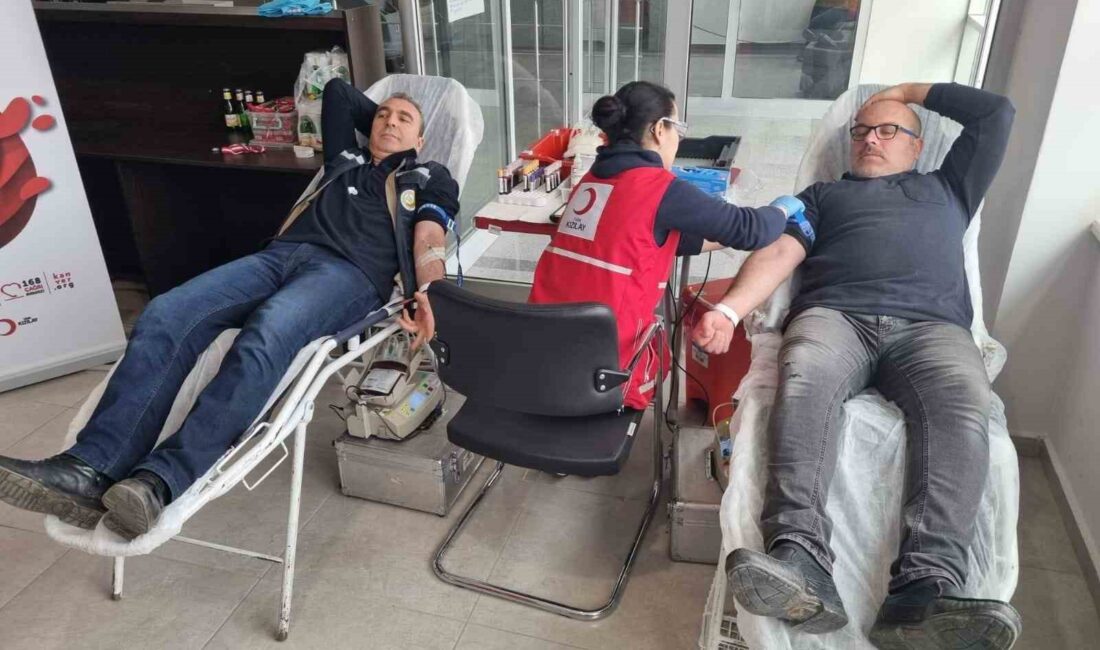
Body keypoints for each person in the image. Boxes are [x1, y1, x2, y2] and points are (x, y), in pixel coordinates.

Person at [0, 78, 459, 541]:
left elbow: (429, 238)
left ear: (422, 140)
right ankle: (89, 468)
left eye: (404, 120)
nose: (389, 122)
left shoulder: (428, 175)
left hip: (349, 274)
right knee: (166, 312)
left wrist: (431, 292)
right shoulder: (345, 157)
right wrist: (384, 121)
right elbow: (339, 92)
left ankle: (160, 481)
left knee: (268, 331)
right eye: (382, 115)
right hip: (278, 258)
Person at [692, 82, 1020, 648]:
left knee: (965, 404)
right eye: (862, 131)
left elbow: (996, 113)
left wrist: (907, 91)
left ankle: (923, 591)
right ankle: (799, 560)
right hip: (835, 317)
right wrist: (728, 309)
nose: (871, 139)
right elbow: (779, 253)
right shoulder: (822, 197)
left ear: (917, 145)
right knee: (804, 382)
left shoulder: (951, 187)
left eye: (889, 130)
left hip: (932, 329)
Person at [528, 80, 804, 410]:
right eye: (678, 128)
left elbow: (643, 240)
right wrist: (783, 209)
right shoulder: (659, 187)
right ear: (660, 129)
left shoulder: (592, 182)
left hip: (542, 356)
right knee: (660, 355)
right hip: (605, 373)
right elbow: (751, 230)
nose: (679, 138)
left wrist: (719, 235)